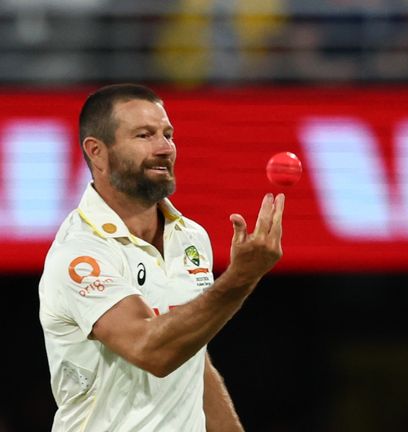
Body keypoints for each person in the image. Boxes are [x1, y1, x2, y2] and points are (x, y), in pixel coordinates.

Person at [38, 83, 285, 431]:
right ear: (97, 152)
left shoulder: (190, 237)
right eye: (144, 135)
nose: (164, 148)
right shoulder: (79, 253)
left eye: (167, 134)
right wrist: (241, 277)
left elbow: (192, 358)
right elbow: (153, 350)